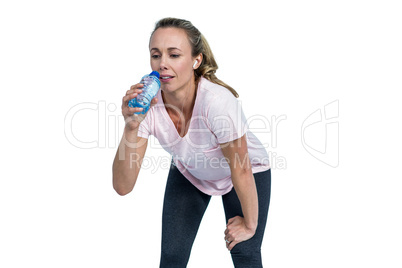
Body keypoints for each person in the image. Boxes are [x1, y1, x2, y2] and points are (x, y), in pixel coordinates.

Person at [112, 17, 271, 268]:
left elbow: (240, 168)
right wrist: (131, 127)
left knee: (245, 252)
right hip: (191, 170)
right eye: (156, 55)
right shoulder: (147, 106)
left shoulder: (217, 101)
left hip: (244, 170)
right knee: (172, 257)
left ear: (196, 60)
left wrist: (250, 225)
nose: (162, 64)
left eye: (174, 55)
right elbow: (123, 186)